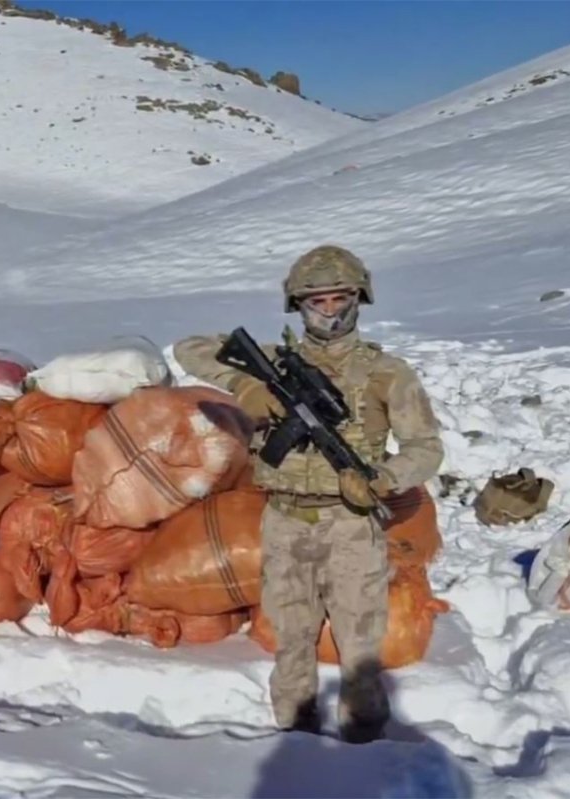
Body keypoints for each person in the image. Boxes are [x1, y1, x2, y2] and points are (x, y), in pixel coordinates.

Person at [173, 245, 443, 743]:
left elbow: (426, 449)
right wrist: (251, 389)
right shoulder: (275, 363)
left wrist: (380, 479)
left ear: (359, 299)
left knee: (360, 643)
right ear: (298, 306)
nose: (329, 311)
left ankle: (364, 740)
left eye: (339, 298)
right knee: (292, 636)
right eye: (316, 301)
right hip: (285, 519)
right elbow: (189, 349)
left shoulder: (387, 373)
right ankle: (294, 737)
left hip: (351, 522)